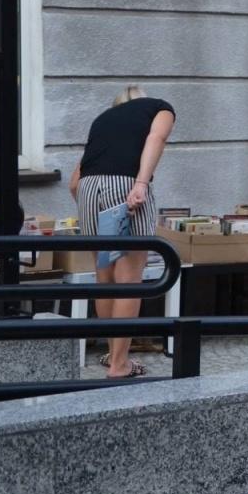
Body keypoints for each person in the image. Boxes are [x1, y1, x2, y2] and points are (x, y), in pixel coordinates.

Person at [70, 85, 175, 380]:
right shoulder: (160, 107)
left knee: (105, 277)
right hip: (125, 185)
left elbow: (74, 183)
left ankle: (114, 355)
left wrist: (92, 208)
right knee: (129, 279)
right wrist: (141, 183)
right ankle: (119, 365)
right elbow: (157, 138)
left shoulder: (103, 120)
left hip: (88, 189)